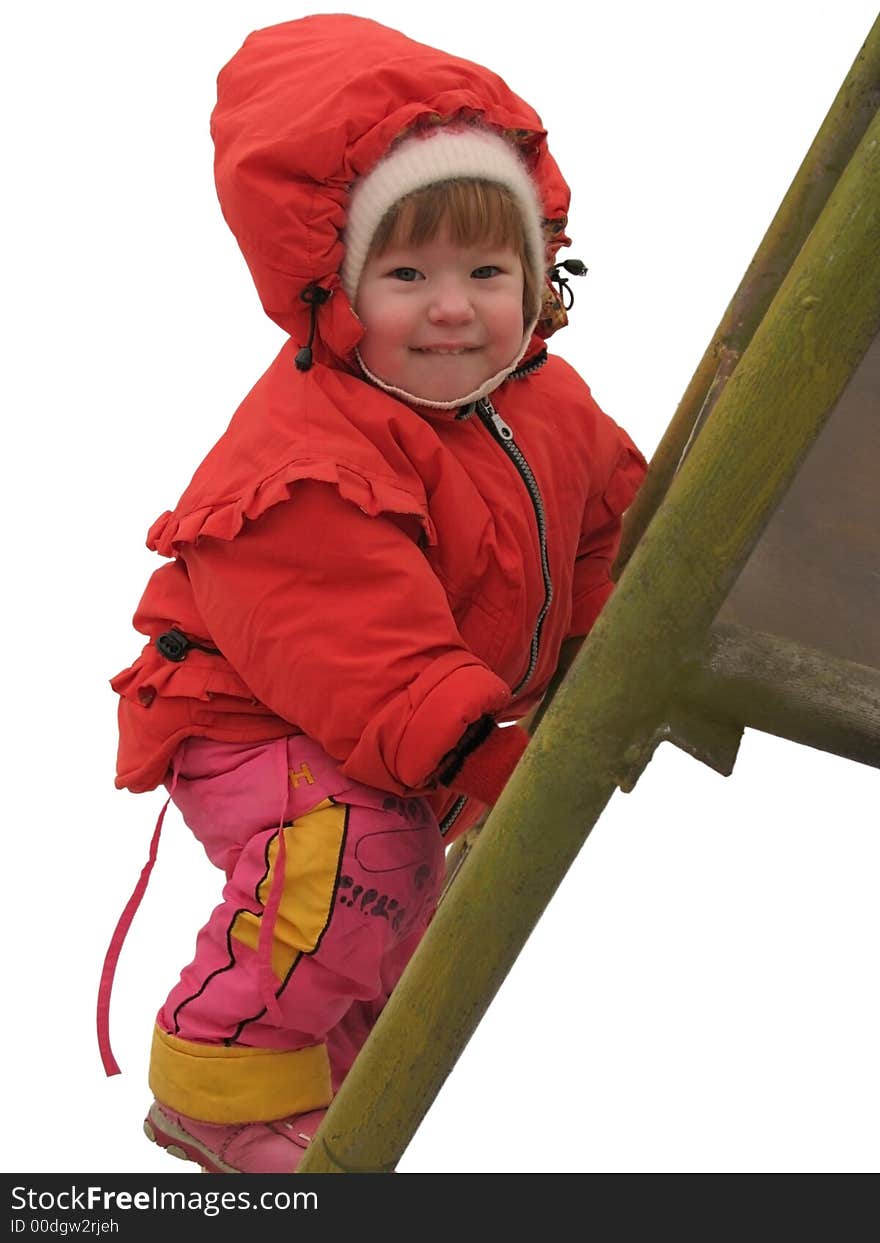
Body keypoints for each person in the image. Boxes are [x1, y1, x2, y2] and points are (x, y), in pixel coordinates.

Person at [100, 13, 648, 1174]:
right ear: (334, 288)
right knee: (355, 854)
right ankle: (217, 1077)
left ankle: (321, 1096)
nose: (453, 308)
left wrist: (605, 647)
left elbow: (605, 529)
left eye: (487, 273)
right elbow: (364, 648)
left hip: (414, 732)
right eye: (406, 275)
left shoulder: (548, 405)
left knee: (396, 906)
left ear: (541, 273)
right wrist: (484, 748)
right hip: (263, 721)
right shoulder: (306, 455)